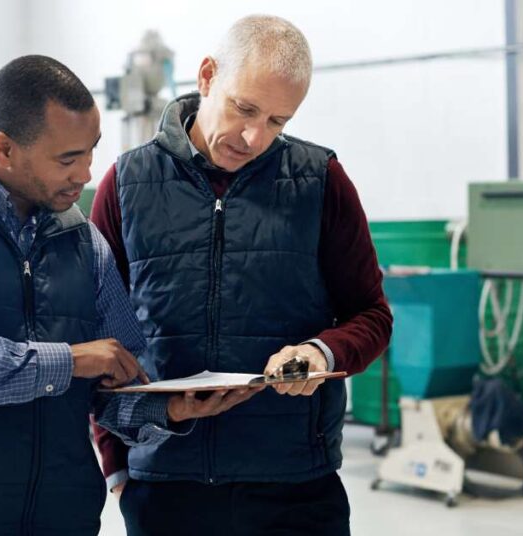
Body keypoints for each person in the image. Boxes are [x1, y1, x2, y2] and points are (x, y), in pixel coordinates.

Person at [0, 55, 258, 536]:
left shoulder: (86, 243)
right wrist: (69, 360)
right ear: (4, 148)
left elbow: (114, 385)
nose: (86, 174)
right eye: (67, 159)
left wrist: (168, 407)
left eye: (91, 151)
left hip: (60, 518)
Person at [91, 16, 393, 535]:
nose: (255, 137)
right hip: (166, 487)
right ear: (207, 76)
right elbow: (95, 336)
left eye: (278, 120)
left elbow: (372, 315)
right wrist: (116, 464)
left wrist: (319, 354)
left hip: (295, 487)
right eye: (245, 108)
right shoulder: (125, 184)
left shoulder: (320, 181)